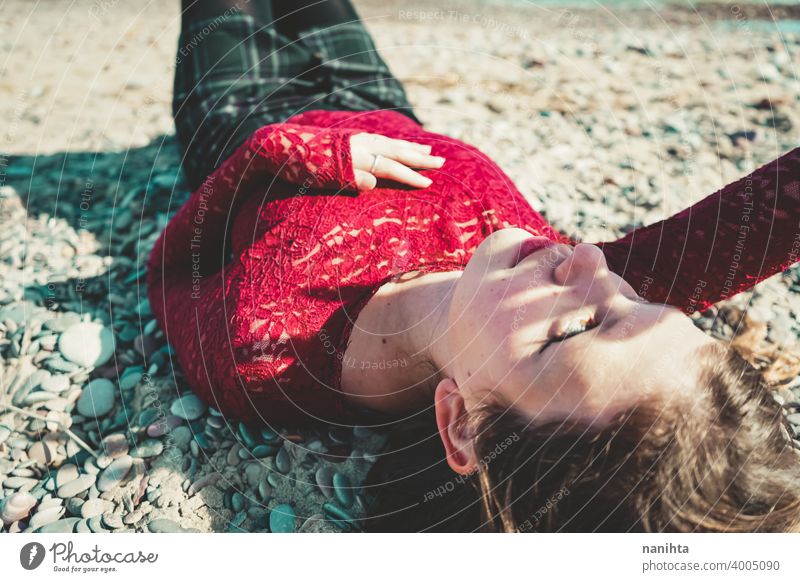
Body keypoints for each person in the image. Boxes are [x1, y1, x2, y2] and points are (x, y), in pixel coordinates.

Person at [148, 0, 800, 532]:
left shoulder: (264, 357)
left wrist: (279, 152)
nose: (593, 263)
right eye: (640, 301)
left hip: (240, 119)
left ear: (460, 423)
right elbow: (774, 213)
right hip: (378, 94)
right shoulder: (553, 299)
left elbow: (173, 265)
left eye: (570, 331)